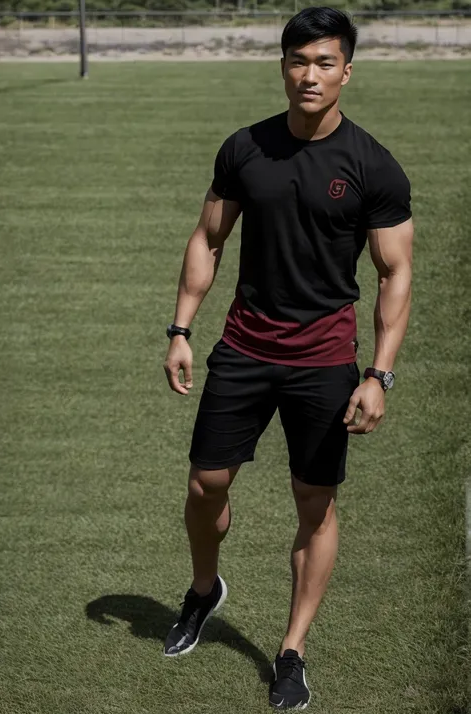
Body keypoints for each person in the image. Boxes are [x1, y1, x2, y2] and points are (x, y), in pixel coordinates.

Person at [162, 6, 413, 710]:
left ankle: (292, 649)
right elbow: (208, 238)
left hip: (324, 361)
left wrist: (379, 373)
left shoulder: (373, 166)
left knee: (314, 502)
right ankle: (205, 591)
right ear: (282, 67)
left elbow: (396, 274)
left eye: (325, 62)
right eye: (298, 61)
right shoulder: (245, 149)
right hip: (244, 346)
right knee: (206, 484)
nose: (310, 75)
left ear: (346, 72)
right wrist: (180, 328)